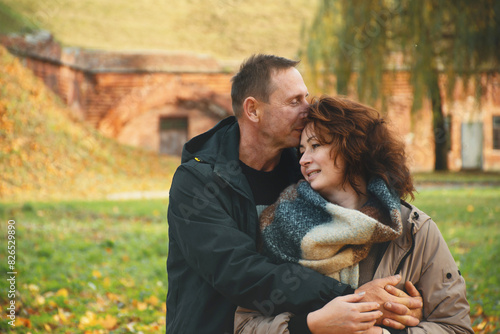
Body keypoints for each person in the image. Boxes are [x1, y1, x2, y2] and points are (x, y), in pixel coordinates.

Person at [166, 55, 422, 334]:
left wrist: (396, 303)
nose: (308, 109)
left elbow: (358, 216)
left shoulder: (307, 169)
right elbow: (239, 271)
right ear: (253, 110)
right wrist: (353, 297)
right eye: (294, 101)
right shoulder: (197, 183)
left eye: (306, 98)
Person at [234, 96, 473, 333]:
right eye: (301, 150)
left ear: (353, 148)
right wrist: (309, 327)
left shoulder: (413, 230)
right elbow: (245, 325)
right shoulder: (278, 226)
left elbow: (455, 327)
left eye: (316, 146)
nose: (304, 160)